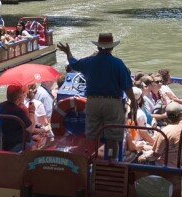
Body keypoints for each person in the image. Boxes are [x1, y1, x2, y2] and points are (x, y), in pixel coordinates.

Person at [57, 33, 136, 161]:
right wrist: (133, 101)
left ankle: (91, 161)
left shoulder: (89, 61)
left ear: (98, 47)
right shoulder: (118, 63)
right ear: (111, 48)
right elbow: (127, 86)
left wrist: (68, 52)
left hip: (93, 102)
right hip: (112, 103)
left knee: (92, 135)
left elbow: (74, 64)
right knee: (113, 136)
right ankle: (112, 162)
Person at [0, 85, 48, 152]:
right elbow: (31, 129)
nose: (24, 96)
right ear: (19, 97)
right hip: (19, 145)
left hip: (5, 144)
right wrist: (31, 111)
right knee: (42, 147)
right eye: (23, 94)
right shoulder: (18, 111)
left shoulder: (0, 106)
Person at [150, 103, 182, 167]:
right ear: (181, 115)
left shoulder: (164, 132)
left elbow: (156, 155)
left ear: (166, 115)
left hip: (166, 166)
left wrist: (144, 157)